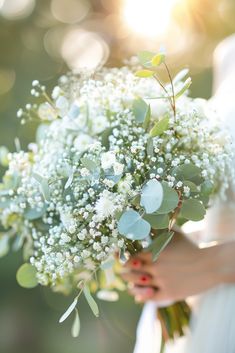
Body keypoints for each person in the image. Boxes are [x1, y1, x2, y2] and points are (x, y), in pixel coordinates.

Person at [121, 34, 235, 353]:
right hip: (205, 316)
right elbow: (225, 213)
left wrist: (212, 264)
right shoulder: (228, 53)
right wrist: (163, 255)